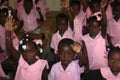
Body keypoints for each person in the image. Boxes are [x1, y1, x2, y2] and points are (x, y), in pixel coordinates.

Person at [4, 16, 48, 80]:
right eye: (24, 52)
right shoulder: (21, 59)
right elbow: (9, 47)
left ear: (37, 51)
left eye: (30, 52)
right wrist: (8, 32)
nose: (27, 55)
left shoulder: (42, 65)